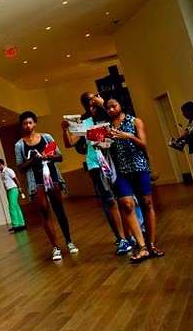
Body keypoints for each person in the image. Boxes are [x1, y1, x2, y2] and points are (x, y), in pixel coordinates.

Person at [61, 92, 131, 255]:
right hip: (95, 164)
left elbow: (120, 121)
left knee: (125, 199)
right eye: (89, 101)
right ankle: (121, 238)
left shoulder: (108, 115)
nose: (93, 102)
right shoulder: (83, 122)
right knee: (110, 201)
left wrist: (102, 104)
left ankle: (131, 233)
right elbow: (70, 143)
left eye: (95, 99)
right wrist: (65, 130)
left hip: (115, 161)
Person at [106, 98, 164, 263]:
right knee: (127, 204)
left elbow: (143, 144)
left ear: (121, 105)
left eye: (113, 106)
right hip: (120, 171)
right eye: (108, 108)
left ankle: (151, 244)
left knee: (147, 203)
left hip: (139, 167)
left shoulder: (135, 121)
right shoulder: (107, 127)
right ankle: (142, 246)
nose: (111, 110)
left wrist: (128, 136)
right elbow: (106, 147)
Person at [16, 111, 79, 261]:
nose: (28, 126)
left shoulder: (46, 137)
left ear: (35, 123)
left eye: (30, 122)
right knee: (44, 211)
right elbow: (20, 167)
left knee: (59, 209)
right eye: (25, 123)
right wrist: (33, 160)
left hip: (53, 177)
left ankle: (69, 241)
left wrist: (49, 156)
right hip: (36, 181)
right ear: (22, 126)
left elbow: (60, 156)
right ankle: (55, 247)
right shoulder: (19, 145)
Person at [0, 158, 26, 231]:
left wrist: (19, 187)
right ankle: (21, 223)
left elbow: (15, 179)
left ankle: (15, 225)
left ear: (0, 164)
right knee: (16, 206)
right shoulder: (1, 173)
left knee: (11, 206)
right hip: (8, 190)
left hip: (13, 189)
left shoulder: (8, 170)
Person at [180, 101, 193, 182]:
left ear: (189, 111)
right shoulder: (191, 122)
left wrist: (189, 135)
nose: (183, 114)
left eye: (183, 112)